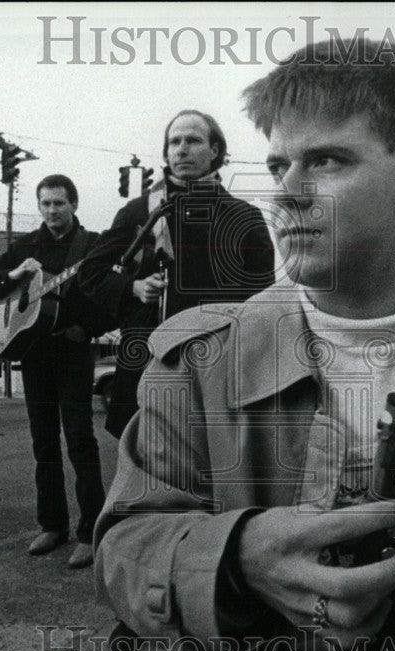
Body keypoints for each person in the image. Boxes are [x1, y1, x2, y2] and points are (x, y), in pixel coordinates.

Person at [92, 38, 395, 651]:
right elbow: (123, 546)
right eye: (277, 163)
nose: (285, 194)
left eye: (325, 160)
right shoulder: (199, 360)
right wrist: (235, 557)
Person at [78, 109, 276, 438]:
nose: (182, 149)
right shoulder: (139, 211)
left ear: (215, 151)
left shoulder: (245, 217)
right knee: (145, 473)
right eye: (174, 141)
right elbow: (91, 273)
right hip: (147, 361)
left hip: (217, 368)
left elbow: (262, 302)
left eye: (193, 140)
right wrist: (134, 287)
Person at [0, 175, 106, 568]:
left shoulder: (92, 245)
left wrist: (89, 327)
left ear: (74, 204)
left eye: (59, 203)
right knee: (43, 442)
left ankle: (91, 531)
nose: (52, 211)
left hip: (72, 353)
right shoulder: (26, 246)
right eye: (46, 204)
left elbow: (110, 293)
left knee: (80, 440)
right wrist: (14, 276)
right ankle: (52, 524)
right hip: (35, 358)